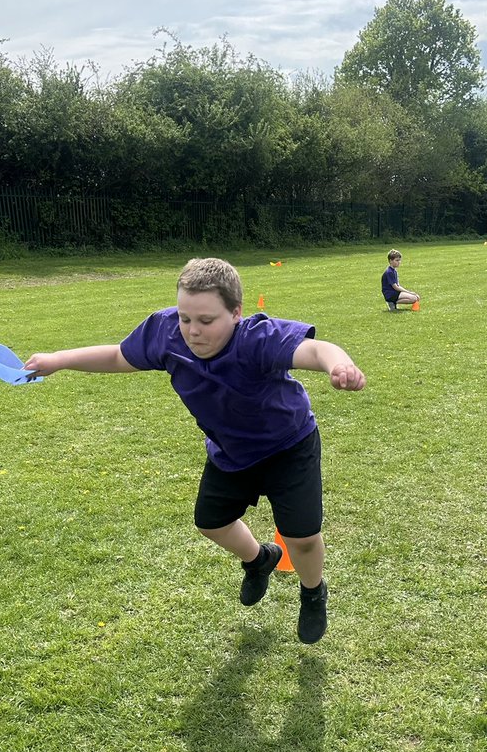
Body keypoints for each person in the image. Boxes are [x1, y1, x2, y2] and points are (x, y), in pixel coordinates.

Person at [25, 257, 366, 644]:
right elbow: (121, 356)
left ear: (236, 313)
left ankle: (312, 592)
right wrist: (58, 361)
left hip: (288, 446)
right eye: (186, 318)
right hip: (230, 452)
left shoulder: (258, 338)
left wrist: (341, 366)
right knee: (211, 522)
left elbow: (317, 350)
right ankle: (259, 560)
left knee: (301, 536)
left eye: (206, 321)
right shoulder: (166, 332)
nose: (192, 330)